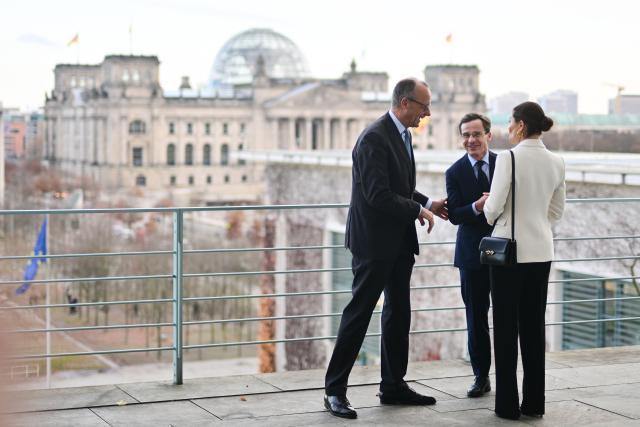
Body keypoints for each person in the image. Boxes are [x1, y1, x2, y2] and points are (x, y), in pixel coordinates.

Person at [323, 78, 448, 419]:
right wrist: (416, 210)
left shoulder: (403, 136)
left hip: (398, 242)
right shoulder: (373, 138)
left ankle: (393, 385)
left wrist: (428, 202)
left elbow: (400, 185)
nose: (428, 113)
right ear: (405, 103)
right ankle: (334, 391)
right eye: (424, 106)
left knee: (398, 314)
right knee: (359, 314)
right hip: (374, 243)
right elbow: (377, 194)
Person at [482, 101, 565, 420]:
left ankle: (506, 406)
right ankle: (534, 404)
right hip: (541, 252)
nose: (507, 128)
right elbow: (556, 213)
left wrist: (492, 204)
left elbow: (492, 210)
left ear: (519, 125)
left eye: (509, 123)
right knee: (533, 328)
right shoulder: (557, 161)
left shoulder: (508, 158)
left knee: (504, 330)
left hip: (509, 255)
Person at [445, 113, 496, 398]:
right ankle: (481, 377)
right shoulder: (454, 172)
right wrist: (476, 206)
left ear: (489, 135)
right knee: (476, 317)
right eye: (466, 135)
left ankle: (510, 371)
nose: (471, 140)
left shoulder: (505, 164)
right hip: (472, 254)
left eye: (476, 134)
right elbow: (453, 215)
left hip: (503, 250)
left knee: (507, 313)